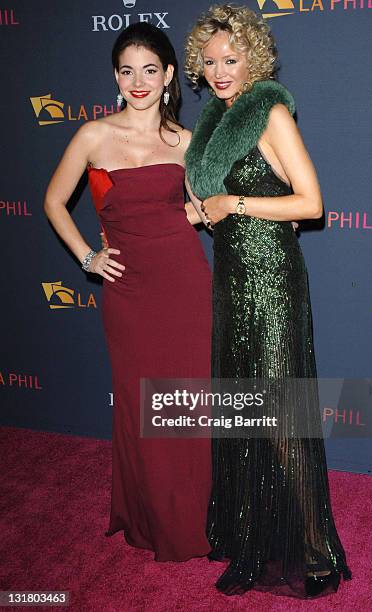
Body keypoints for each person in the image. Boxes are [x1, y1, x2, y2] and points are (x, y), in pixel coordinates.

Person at [184, 4, 352, 598]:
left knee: (281, 416)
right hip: (231, 279)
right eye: (210, 62)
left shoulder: (269, 112)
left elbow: (311, 204)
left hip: (273, 279)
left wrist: (238, 205)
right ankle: (252, 542)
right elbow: (219, 196)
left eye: (232, 59)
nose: (221, 70)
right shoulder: (211, 125)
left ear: (254, 57)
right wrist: (201, 207)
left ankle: (313, 549)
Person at [44, 22, 213, 562]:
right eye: (126, 70)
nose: (138, 81)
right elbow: (53, 202)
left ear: (168, 77)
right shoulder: (93, 135)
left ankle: (197, 515)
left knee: (188, 402)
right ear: (116, 78)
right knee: (142, 403)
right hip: (128, 292)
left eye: (149, 70)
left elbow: (204, 207)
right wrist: (88, 258)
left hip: (184, 283)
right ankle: (151, 515)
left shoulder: (187, 143)